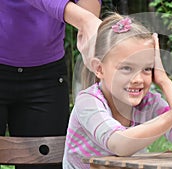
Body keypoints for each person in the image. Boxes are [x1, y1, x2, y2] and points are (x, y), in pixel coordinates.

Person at [63, 13, 172, 169]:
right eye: (126, 68)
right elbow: (119, 144)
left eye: (147, 69)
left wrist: (164, 80)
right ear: (99, 69)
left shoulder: (149, 103)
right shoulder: (88, 102)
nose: (138, 79)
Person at [0, 1, 101, 169]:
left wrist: (86, 21)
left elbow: (89, 16)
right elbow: (86, 19)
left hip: (46, 76)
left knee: (46, 163)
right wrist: (85, 19)